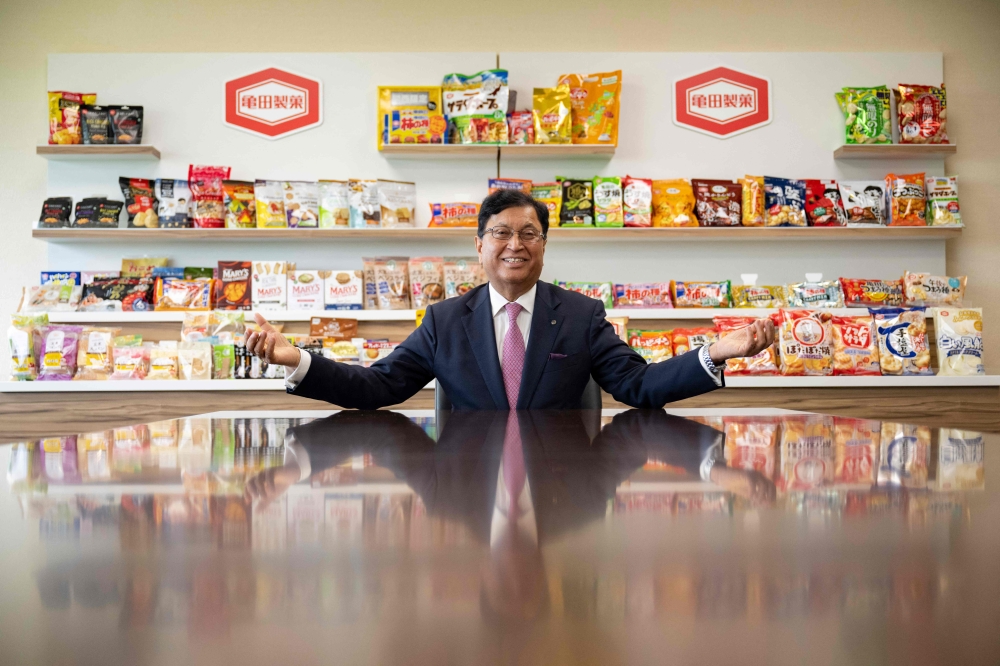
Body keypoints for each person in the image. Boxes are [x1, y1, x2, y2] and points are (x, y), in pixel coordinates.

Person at [245, 190, 776, 410]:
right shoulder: (445, 320)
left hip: (565, 484)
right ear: (479, 245)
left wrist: (719, 351)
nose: (515, 245)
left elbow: (636, 385)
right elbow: (379, 385)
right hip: (468, 482)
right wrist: (297, 361)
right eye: (501, 233)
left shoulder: (581, 314)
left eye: (530, 234)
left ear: (545, 245)